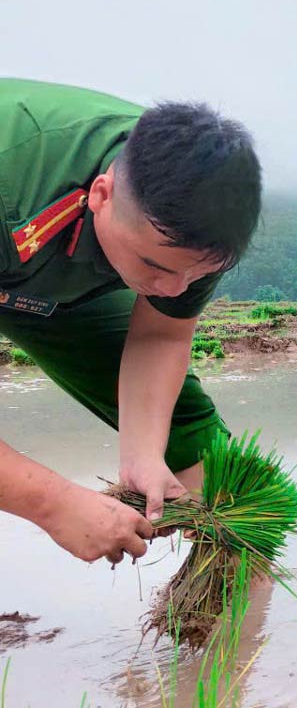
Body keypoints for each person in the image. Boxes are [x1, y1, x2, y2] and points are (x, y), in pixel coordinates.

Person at [0, 78, 261, 564]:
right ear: (102, 193)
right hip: (16, 226)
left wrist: (143, 454)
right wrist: (52, 502)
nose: (175, 290)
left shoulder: (200, 224)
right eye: (157, 267)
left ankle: (236, 578)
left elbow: (162, 334)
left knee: (179, 424)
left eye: (197, 274)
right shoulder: (11, 174)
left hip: (57, 279)